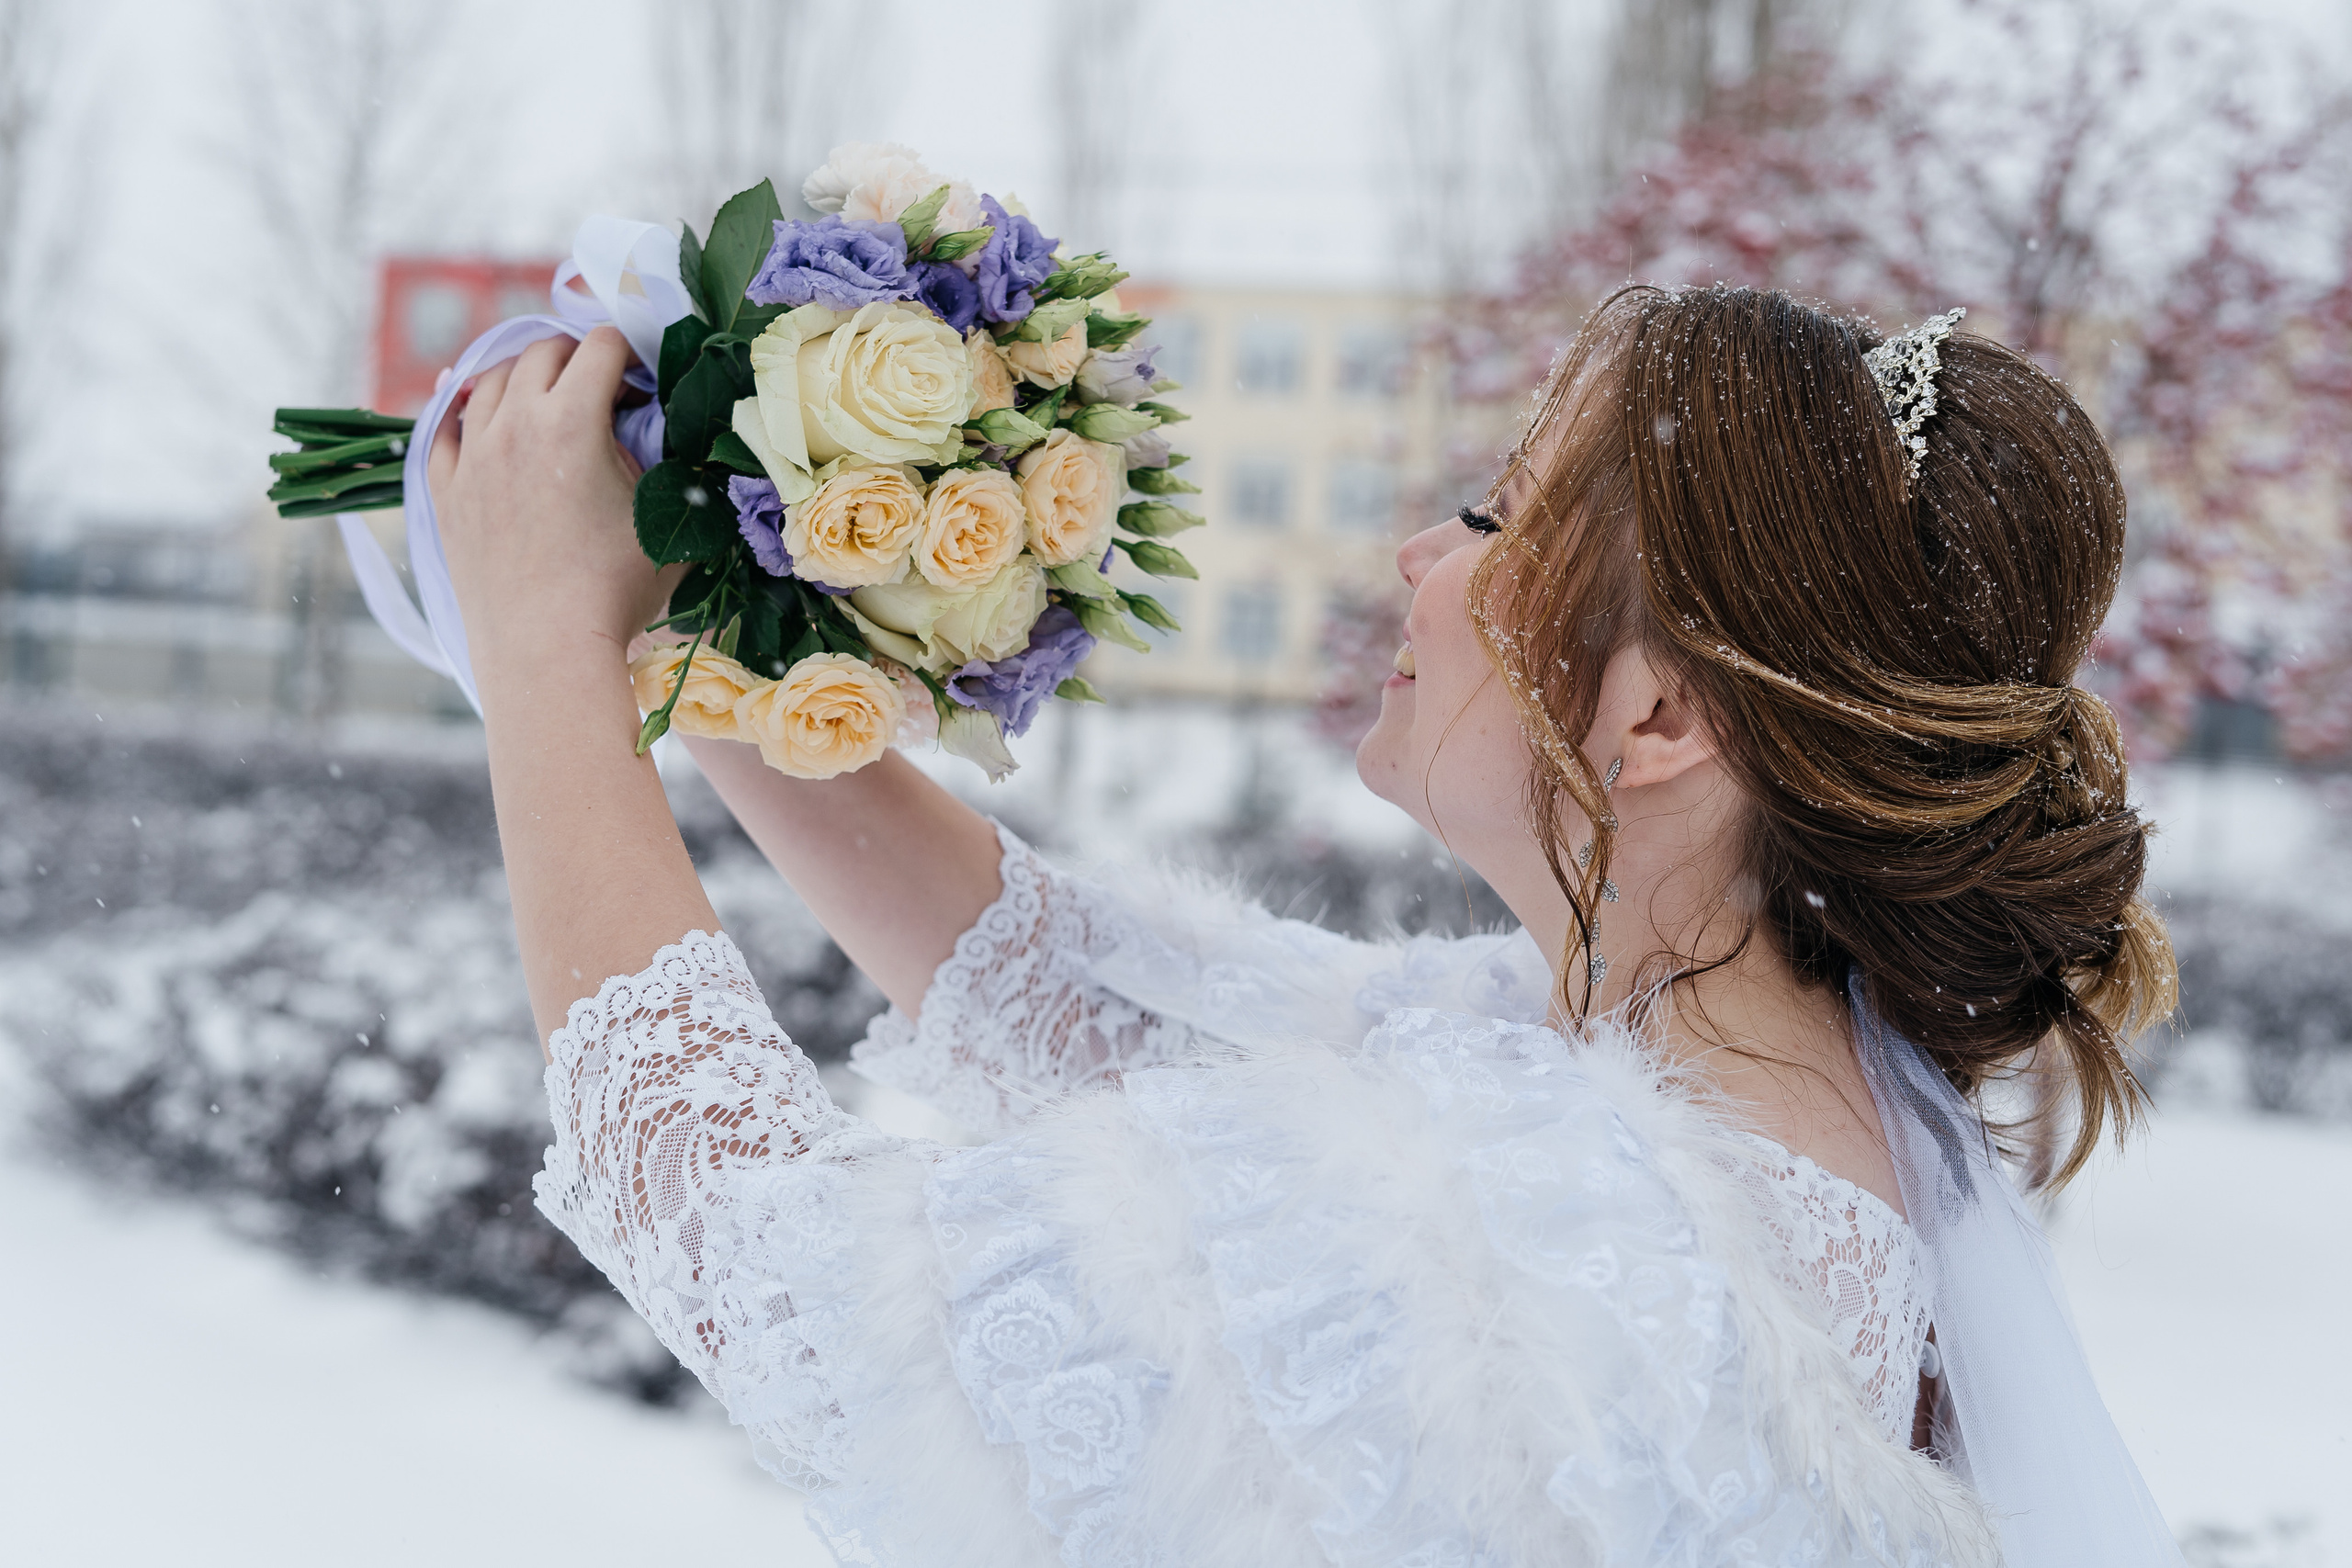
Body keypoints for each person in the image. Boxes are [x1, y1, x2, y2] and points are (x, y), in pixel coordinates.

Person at [429, 284, 2182, 1565]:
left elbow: (801, 1301)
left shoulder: (1591, 1241)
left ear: (1658, 720)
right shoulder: (1665, 1081)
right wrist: (706, 626)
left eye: (1501, 516)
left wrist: (543, 647)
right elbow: (1080, 1011)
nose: (1426, 548)